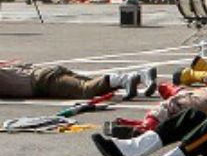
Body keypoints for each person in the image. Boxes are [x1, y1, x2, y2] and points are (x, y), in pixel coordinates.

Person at [1, 61, 157, 100]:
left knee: (85, 90)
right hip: (45, 73)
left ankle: (125, 79)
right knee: (97, 85)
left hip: (43, 81)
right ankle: (141, 75)